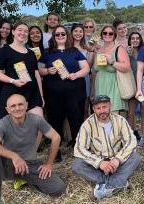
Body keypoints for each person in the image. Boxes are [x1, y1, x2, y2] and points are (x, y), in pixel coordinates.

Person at [0, 94, 66, 203]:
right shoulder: (3, 123)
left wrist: (49, 164)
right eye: (13, 106)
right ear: (8, 110)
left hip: (30, 165)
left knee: (59, 188)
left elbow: (56, 137)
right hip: (10, 165)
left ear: (26, 105)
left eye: (20, 104)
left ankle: (27, 181)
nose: (17, 108)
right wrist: (14, 156)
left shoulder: (36, 120)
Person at [72, 95, 140, 200]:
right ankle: (117, 182)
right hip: (99, 165)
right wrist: (99, 162)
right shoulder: (87, 124)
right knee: (77, 165)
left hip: (117, 162)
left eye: (104, 107)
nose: (102, 111)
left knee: (135, 157)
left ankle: (106, 186)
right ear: (93, 109)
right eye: (98, 108)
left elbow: (131, 141)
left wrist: (118, 159)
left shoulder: (120, 120)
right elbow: (79, 149)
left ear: (110, 106)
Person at [39, 25, 90, 154]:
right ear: (54, 37)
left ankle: (78, 146)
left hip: (75, 92)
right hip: (53, 94)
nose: (60, 36)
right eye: (57, 34)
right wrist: (47, 71)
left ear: (67, 36)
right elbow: (39, 70)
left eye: (63, 34)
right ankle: (55, 149)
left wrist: (76, 75)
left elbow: (86, 68)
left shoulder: (74, 51)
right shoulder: (47, 52)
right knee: (55, 119)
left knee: (76, 118)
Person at [0, 22, 43, 121]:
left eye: (26, 31)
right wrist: (13, 81)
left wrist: (41, 96)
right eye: (20, 30)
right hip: (12, 93)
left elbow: (36, 74)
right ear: (13, 32)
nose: (23, 33)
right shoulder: (4, 50)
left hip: (32, 93)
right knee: (13, 128)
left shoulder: (31, 53)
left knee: (38, 124)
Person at [93, 25, 131, 112]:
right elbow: (95, 70)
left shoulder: (119, 48)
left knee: (113, 115)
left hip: (113, 86)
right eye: (105, 33)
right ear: (102, 35)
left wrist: (112, 62)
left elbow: (126, 67)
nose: (107, 35)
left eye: (111, 33)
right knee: (102, 115)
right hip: (100, 86)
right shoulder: (99, 50)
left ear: (114, 35)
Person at [70, 23, 95, 117]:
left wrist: (92, 51)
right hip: (72, 79)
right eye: (76, 31)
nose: (78, 33)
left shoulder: (86, 47)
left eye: (81, 31)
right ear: (71, 33)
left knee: (85, 108)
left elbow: (89, 65)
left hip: (85, 79)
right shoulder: (68, 47)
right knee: (73, 109)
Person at [126, 32, 144, 141]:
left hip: (143, 85)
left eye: (137, 38)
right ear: (129, 40)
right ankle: (132, 134)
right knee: (130, 112)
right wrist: (127, 55)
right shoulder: (126, 52)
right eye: (132, 38)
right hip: (131, 84)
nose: (135, 40)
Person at [27, 25, 46, 114]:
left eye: (37, 33)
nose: (35, 35)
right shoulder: (25, 50)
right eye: (32, 33)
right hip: (32, 85)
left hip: (46, 84)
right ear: (28, 36)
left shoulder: (46, 50)